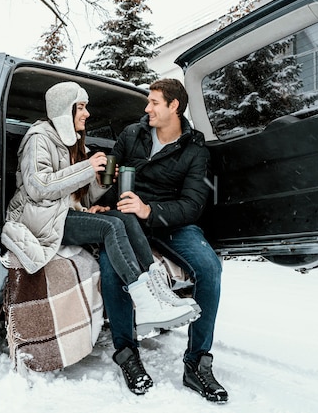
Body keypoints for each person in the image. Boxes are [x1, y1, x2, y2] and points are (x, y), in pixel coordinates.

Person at [0, 81, 200, 365]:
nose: (87, 114)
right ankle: (142, 300)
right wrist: (86, 167)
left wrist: (101, 182)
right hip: (40, 218)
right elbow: (38, 187)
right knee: (110, 227)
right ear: (63, 110)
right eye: (80, 108)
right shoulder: (39, 137)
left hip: (64, 212)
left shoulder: (73, 141)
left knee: (123, 218)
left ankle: (157, 292)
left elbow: (75, 193)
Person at [96, 78, 228, 403]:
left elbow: (192, 205)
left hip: (170, 221)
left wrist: (149, 210)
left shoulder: (194, 149)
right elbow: (113, 177)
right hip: (128, 217)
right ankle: (127, 354)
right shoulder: (132, 134)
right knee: (112, 266)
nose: (147, 108)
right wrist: (103, 191)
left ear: (174, 107)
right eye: (149, 101)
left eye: (154, 102)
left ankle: (197, 364)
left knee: (209, 268)